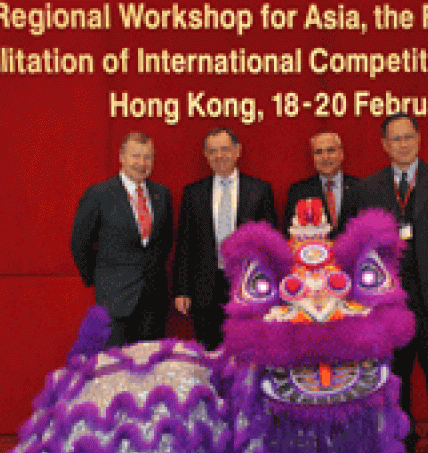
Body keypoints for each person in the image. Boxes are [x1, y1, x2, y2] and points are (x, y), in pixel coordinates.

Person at [340, 113, 428, 453]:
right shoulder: (367, 189)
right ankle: (402, 437)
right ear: (384, 145)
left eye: (409, 137)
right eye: (396, 139)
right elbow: (351, 244)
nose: (403, 144)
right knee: (396, 373)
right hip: (389, 301)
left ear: (419, 139)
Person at [174, 127, 277, 350]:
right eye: (213, 151)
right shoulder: (193, 193)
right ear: (206, 155)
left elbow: (270, 244)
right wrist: (182, 290)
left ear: (237, 151)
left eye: (225, 149)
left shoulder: (259, 190)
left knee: (245, 348)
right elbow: (185, 245)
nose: (219, 156)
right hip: (204, 288)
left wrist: (269, 285)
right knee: (208, 352)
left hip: (247, 285)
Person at [70, 131, 174, 347]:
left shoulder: (162, 194)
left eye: (148, 157)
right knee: (115, 363)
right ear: (121, 156)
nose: (142, 163)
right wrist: (100, 279)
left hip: (153, 302)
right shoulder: (98, 194)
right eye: (136, 156)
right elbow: (80, 243)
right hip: (114, 299)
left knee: (151, 364)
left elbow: (164, 243)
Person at [282, 131, 359, 238]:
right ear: (313, 157)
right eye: (318, 152)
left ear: (341, 154)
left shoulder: (360, 187)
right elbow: (289, 233)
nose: (325, 158)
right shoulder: (298, 191)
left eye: (330, 150)